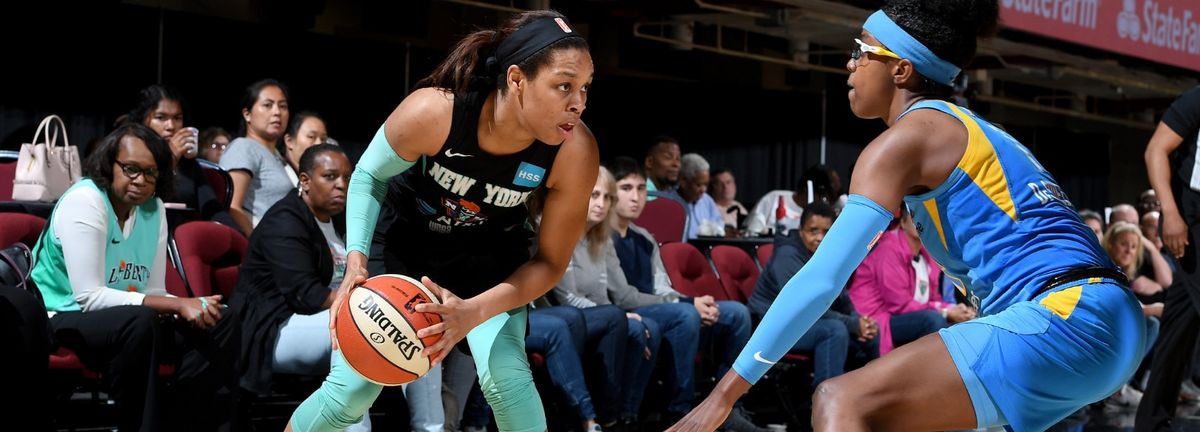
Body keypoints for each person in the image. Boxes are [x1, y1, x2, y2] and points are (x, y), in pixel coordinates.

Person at [670, 2, 1150, 431]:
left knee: (841, 400)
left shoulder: (905, 140)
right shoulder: (979, 132)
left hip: (1066, 317)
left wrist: (723, 395)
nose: (850, 63)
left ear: (901, 69)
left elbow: (821, 279)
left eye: (862, 50)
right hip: (1110, 320)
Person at [289, 10, 597, 432]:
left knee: (508, 384)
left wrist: (472, 312)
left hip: (489, 259)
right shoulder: (437, 110)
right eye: (564, 86)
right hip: (404, 245)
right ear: (517, 80)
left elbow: (550, 263)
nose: (578, 102)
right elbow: (368, 175)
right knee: (351, 391)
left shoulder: (575, 151)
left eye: (584, 88)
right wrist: (355, 263)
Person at [32, 124, 226, 431]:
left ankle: (188, 422)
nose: (141, 181)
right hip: (62, 316)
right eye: (131, 169)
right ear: (110, 165)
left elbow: (153, 288)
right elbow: (90, 297)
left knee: (220, 322)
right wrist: (176, 305)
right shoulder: (87, 201)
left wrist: (194, 306)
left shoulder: (154, 209)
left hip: (126, 318)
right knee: (140, 321)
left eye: (151, 173)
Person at [603, 158, 763, 430]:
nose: (636, 196)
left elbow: (662, 285)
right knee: (685, 313)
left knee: (736, 313)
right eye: (627, 188)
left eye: (641, 189)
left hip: (660, 308)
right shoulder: (602, 236)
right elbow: (624, 296)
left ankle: (728, 406)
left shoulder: (644, 236)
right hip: (626, 311)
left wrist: (693, 302)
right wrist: (688, 303)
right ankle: (680, 411)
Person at [750, 201, 879, 387]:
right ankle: (825, 408)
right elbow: (805, 306)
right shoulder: (787, 255)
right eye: (813, 231)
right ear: (801, 230)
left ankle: (866, 403)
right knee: (835, 331)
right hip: (772, 325)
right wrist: (852, 324)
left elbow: (842, 298)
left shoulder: (830, 255)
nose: (820, 238)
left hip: (805, 322)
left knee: (871, 332)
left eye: (826, 232)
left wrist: (859, 321)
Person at [1138, 85, 1200, 431]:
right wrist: (1170, 214)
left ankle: (1152, 421)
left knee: (1180, 321)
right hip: (1191, 219)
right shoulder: (1196, 100)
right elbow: (1155, 151)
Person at [848, 207, 974, 357]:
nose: (919, 223)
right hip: (876, 319)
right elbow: (899, 305)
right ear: (902, 222)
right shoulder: (889, 249)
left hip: (905, 313)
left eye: (924, 219)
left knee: (967, 322)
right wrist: (946, 312)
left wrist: (956, 309)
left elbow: (934, 299)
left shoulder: (928, 253)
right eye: (914, 218)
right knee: (932, 320)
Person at [220, 79, 294, 236]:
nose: (277, 112)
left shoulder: (278, 156)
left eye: (283, 106)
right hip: (266, 248)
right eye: (268, 105)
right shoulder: (243, 147)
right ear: (247, 114)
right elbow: (232, 206)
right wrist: (256, 247)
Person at [744, 164, 838, 236]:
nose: (822, 202)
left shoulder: (819, 214)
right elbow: (752, 231)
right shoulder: (774, 198)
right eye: (820, 197)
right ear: (806, 190)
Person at [677, 153, 725, 239]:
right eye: (699, 185)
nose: (703, 190)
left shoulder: (707, 200)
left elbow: (719, 226)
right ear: (683, 181)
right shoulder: (670, 202)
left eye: (706, 185)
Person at [283, 112, 330, 185]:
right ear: (289, 141)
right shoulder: (278, 174)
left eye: (323, 139)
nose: (319, 143)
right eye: (311, 137)